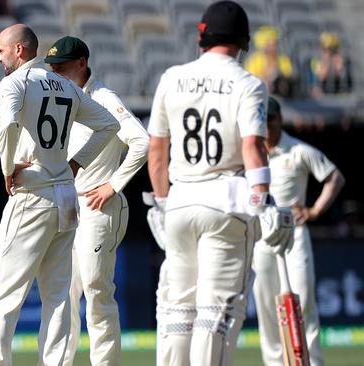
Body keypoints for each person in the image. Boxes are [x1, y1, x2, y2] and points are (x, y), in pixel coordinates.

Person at [146, 2, 295, 365]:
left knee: (176, 314)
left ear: (202, 36)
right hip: (226, 207)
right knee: (215, 315)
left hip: (179, 204)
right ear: (243, 42)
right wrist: (263, 201)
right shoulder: (248, 84)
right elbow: (253, 148)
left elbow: (157, 152)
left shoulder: (171, 77)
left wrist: (163, 204)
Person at [0, 24, 120, 366]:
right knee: (59, 296)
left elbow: (7, 126)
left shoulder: (14, 83)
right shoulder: (65, 84)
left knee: (3, 295)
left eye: (1, 51)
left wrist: (6, 169)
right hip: (65, 194)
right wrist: (76, 163)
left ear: (19, 50)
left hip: (33, 191)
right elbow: (109, 125)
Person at [44, 36, 149, 366]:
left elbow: (142, 142)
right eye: (53, 69)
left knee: (96, 289)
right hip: (67, 207)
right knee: (63, 294)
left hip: (98, 207)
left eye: (62, 67)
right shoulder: (61, 99)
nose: (56, 74)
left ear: (82, 63)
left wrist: (113, 185)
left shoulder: (104, 98)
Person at [252, 97, 345, 366]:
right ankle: (275, 363)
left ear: (279, 119)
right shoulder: (251, 153)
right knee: (266, 304)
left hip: (294, 234)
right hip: (262, 237)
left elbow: (334, 178)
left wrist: (314, 210)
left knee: (303, 300)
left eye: (270, 120)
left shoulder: (297, 150)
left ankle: (312, 361)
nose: (266, 126)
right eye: (262, 121)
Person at [244, 25, 295, 98]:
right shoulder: (255, 59)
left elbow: (288, 75)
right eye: (270, 44)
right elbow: (251, 77)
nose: (274, 47)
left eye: (275, 44)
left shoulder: (283, 59)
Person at [308, 32, 353, 98]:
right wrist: (327, 64)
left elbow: (342, 77)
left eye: (331, 50)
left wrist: (337, 67)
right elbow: (320, 77)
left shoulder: (341, 61)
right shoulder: (315, 62)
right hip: (320, 96)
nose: (327, 53)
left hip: (339, 95)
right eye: (325, 49)